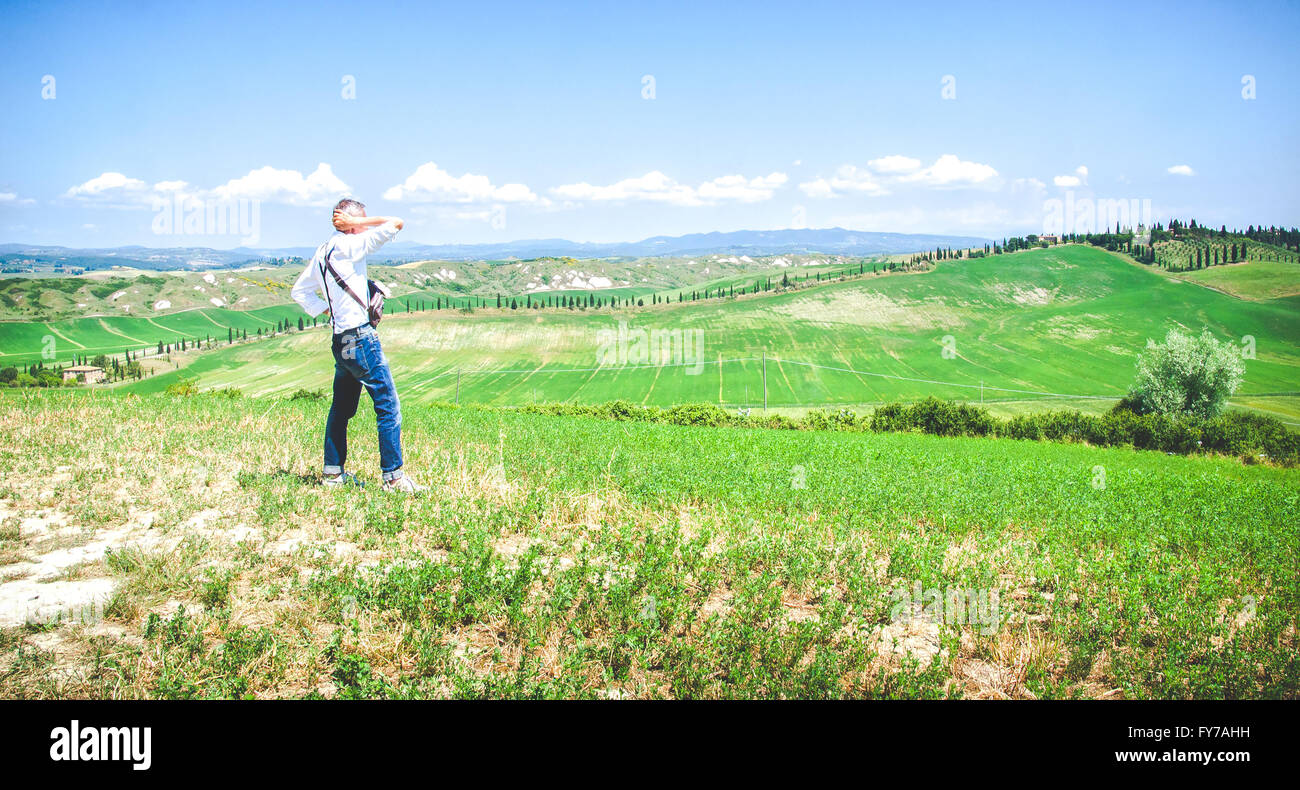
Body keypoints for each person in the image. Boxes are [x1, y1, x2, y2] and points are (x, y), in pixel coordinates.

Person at [291, 197, 423, 493]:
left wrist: (329, 310)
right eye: (359, 222)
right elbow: (396, 222)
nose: (364, 228)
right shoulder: (351, 245)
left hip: (340, 339)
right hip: (361, 338)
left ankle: (332, 475)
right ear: (350, 224)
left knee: (341, 408)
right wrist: (359, 224)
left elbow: (299, 292)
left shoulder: (323, 251)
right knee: (388, 405)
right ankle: (394, 478)